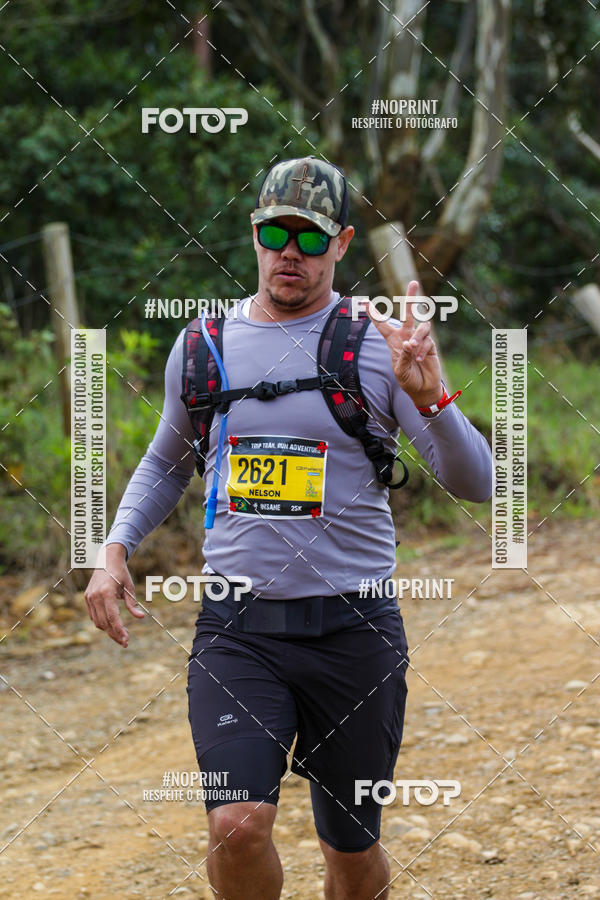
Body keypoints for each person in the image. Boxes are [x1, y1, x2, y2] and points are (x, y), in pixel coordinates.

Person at [85, 155, 492, 899]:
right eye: (276, 234)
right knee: (235, 825)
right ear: (254, 234)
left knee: (351, 853)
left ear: (341, 244)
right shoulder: (203, 346)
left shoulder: (377, 346)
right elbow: (166, 464)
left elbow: (477, 484)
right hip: (239, 633)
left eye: (310, 238)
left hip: (355, 634)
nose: (290, 253)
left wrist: (432, 396)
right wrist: (113, 550)